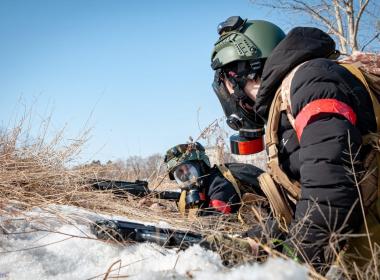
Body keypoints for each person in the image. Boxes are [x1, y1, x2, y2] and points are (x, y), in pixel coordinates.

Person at [210, 16, 379, 273]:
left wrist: (290, 268)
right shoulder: (294, 94)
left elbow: (330, 191)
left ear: (240, 73)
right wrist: (256, 243)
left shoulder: (310, 81)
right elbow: (301, 205)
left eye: (229, 83)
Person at [163, 142, 264, 216]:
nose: (185, 175)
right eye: (179, 172)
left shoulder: (218, 182)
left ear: (201, 166)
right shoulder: (200, 188)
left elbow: (215, 219)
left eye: (189, 168)